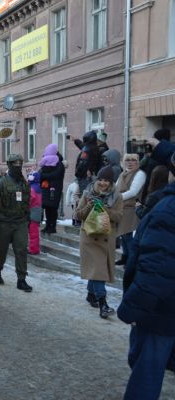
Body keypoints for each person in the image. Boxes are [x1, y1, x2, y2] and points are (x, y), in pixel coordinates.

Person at [118, 151, 175, 400]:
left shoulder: (167, 209)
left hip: (162, 310)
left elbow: (158, 266)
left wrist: (133, 308)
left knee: (147, 369)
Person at [75, 166, 123, 318]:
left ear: (111, 182)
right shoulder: (88, 193)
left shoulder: (117, 196)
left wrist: (105, 209)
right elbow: (78, 215)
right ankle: (103, 304)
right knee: (98, 270)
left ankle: (91, 294)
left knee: (97, 269)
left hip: (106, 237)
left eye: (106, 180)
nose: (103, 183)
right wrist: (89, 205)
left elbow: (119, 217)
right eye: (100, 180)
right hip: (89, 237)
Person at [0, 154, 33, 292]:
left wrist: (28, 217)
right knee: (1, 250)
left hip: (20, 222)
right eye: (15, 164)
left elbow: (27, 201)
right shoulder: (0, 183)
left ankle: (21, 279)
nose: (18, 166)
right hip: (4, 223)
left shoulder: (24, 183)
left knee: (21, 250)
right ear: (9, 165)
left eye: (20, 164)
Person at [115, 154, 146, 267]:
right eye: (127, 160)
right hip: (121, 207)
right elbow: (115, 188)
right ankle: (125, 256)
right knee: (123, 235)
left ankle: (131, 260)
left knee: (128, 235)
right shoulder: (122, 174)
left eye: (133, 160)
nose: (130, 162)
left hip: (132, 208)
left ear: (138, 162)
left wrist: (117, 198)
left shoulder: (140, 174)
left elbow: (133, 192)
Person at [39, 144, 65, 234]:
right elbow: (40, 173)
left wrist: (43, 175)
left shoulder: (59, 164)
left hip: (55, 189)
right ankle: (48, 225)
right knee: (47, 207)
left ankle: (52, 226)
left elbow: (55, 175)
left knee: (53, 208)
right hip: (46, 188)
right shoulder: (46, 162)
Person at [28, 171, 42, 255]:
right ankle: (34, 248)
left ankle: (33, 249)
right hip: (37, 210)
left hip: (32, 211)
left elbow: (30, 199)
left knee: (33, 232)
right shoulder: (38, 187)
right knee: (35, 232)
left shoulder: (32, 188)